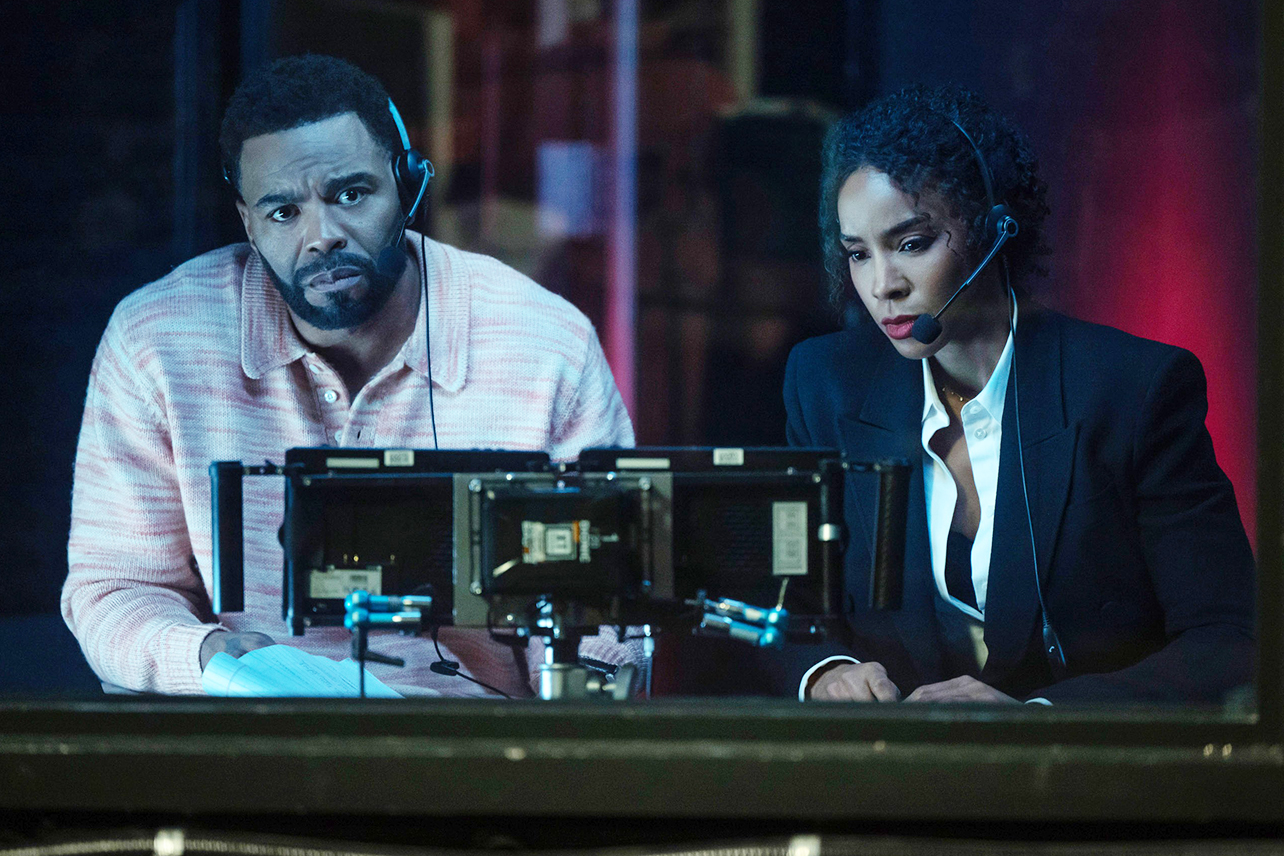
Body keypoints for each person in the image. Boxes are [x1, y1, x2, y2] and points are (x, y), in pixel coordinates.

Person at [63, 55, 636, 696]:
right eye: (284, 213)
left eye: (351, 195)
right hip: (250, 736)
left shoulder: (546, 343)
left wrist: (584, 695)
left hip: (478, 743)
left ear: (410, 186)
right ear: (248, 222)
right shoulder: (156, 339)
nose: (322, 236)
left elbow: (606, 604)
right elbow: (117, 587)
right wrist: (210, 656)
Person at [782, 85, 1254, 705]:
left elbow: (1229, 641)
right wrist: (827, 671)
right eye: (858, 254)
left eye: (911, 243)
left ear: (993, 230)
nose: (882, 285)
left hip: (1073, 762)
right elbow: (784, 599)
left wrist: (1039, 718)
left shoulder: (1134, 389)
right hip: (893, 760)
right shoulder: (826, 382)